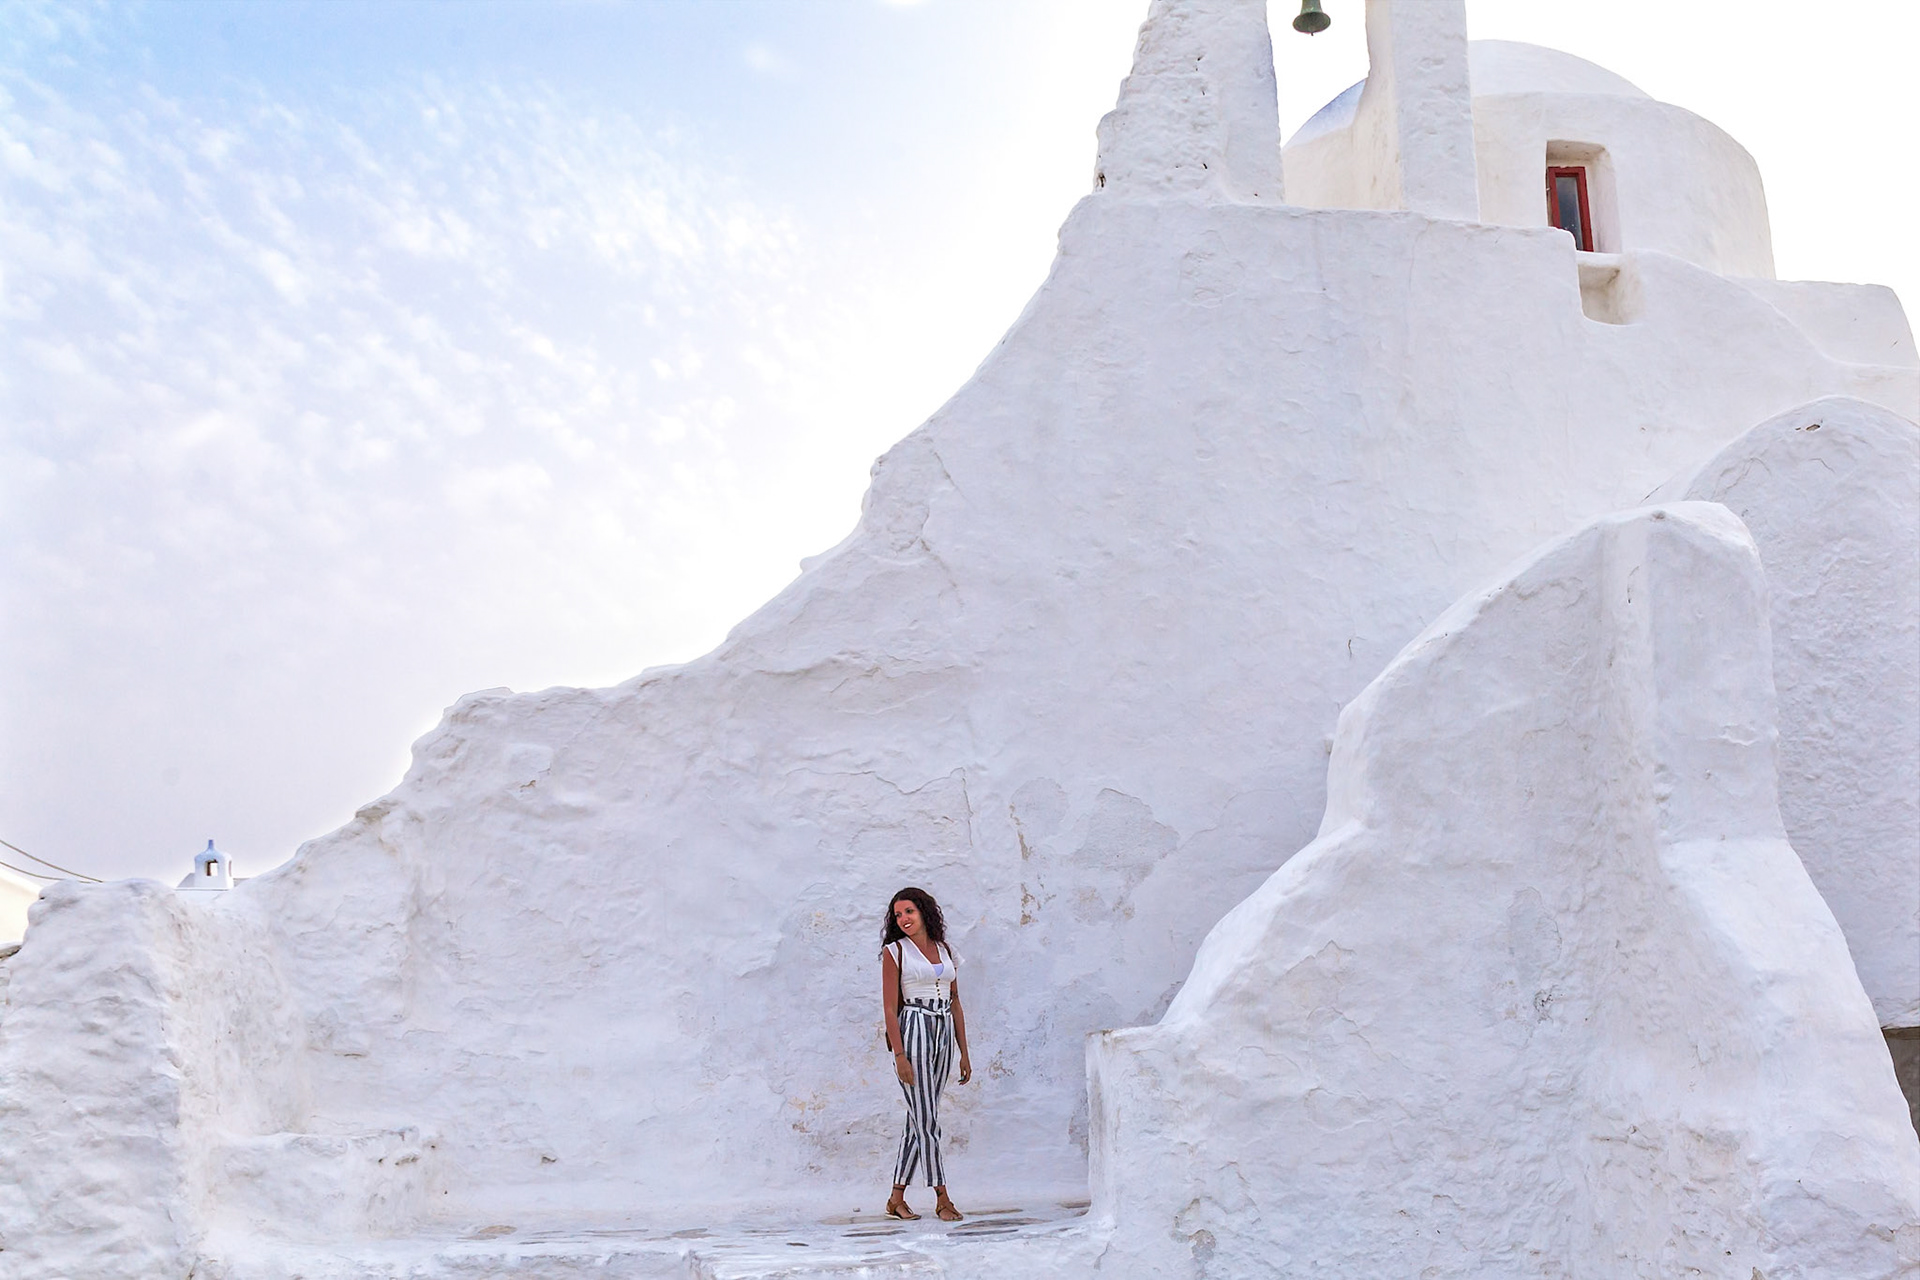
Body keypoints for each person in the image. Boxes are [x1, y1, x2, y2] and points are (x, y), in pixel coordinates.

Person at [880, 886, 972, 1221]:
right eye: (898, 914)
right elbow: (890, 1008)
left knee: (918, 1119)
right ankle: (942, 1197)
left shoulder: (946, 950)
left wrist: (964, 1052)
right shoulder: (895, 952)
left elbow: (957, 1001)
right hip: (914, 1027)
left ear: (924, 912)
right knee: (928, 1121)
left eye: (909, 911)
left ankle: (895, 1198)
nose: (903, 919)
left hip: (943, 1028)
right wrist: (899, 1055)